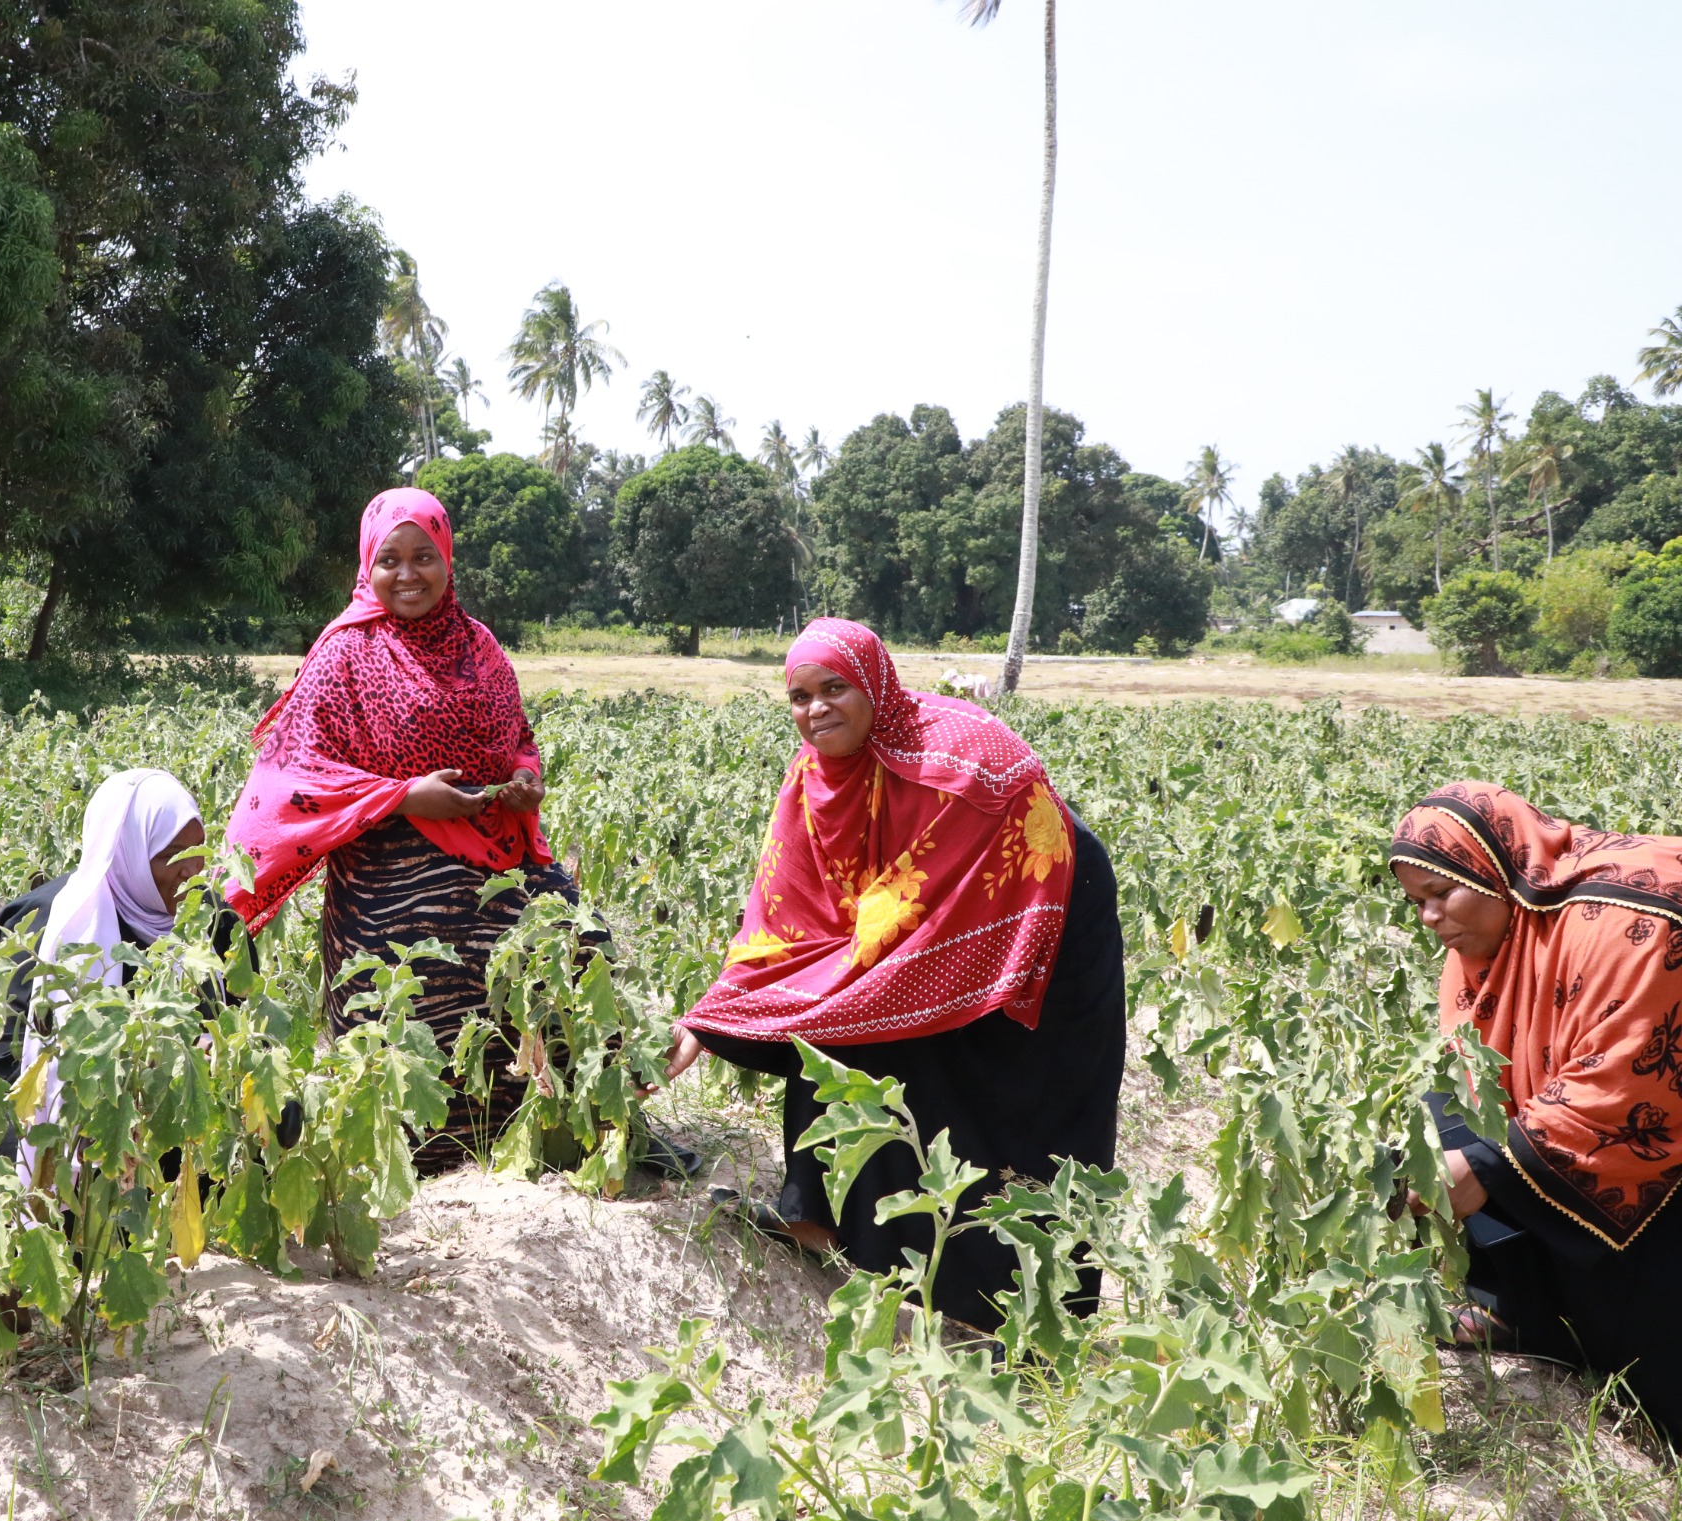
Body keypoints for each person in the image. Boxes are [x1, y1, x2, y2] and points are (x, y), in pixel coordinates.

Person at [664, 618, 1124, 1330]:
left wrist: (773, 1008)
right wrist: (712, 1017)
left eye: (835, 688)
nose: (816, 710)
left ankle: (1033, 1308)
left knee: (1019, 1107)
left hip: (1047, 917)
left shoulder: (957, 762)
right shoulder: (813, 782)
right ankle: (824, 1226)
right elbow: (786, 926)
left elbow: (885, 938)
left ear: (875, 684)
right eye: (799, 696)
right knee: (849, 1023)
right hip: (917, 932)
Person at [220, 487, 606, 1174]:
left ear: (447, 560)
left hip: (494, 851)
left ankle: (551, 1133)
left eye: (423, 557)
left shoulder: (479, 645)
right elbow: (293, 775)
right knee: (414, 996)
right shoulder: (344, 654)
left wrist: (522, 779)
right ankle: (416, 1163)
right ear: (367, 565)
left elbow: (515, 739)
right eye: (389, 560)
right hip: (386, 868)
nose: (408, 575)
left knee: (576, 945)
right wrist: (403, 798)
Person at [1390, 781, 1682, 1438]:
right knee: (1452, 1107)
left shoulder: (1639, 926)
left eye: (1442, 893)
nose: (1429, 918)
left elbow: (1626, 1091)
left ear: (1500, 872)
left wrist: (1488, 1166)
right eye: (1416, 903)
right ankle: (1525, 1311)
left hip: (1660, 1145)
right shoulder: (1481, 952)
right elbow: (1474, 1079)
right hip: (1582, 1118)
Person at [0, 769, 207, 1122]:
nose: (192, 870)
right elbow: (9, 1059)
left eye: (199, 851)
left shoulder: (209, 921)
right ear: (126, 852)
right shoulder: (55, 925)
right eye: (172, 855)